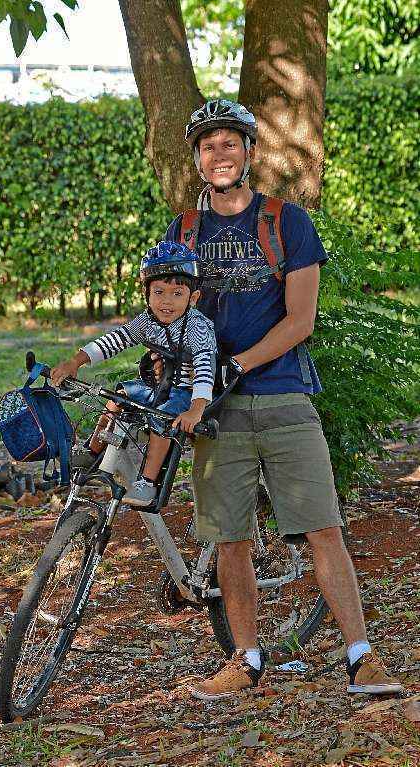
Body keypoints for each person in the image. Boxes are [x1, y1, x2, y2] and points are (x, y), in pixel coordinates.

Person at [163, 99, 402, 700]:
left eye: (230, 143)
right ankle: (245, 660)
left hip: (283, 396)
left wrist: (235, 365)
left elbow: (301, 321)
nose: (220, 154)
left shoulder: (286, 222)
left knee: (323, 529)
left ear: (249, 153)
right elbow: (169, 313)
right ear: (196, 160)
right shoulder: (184, 232)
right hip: (217, 414)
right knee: (231, 539)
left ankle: (360, 656)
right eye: (208, 146)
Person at [50, 241, 217, 507]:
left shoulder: (198, 328)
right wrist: (76, 361)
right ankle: (93, 450)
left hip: (186, 393)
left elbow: (206, 371)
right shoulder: (147, 321)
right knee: (120, 395)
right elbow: (116, 339)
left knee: (163, 420)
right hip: (159, 385)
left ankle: (147, 483)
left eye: (177, 293)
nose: (166, 301)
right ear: (147, 294)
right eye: (159, 292)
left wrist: (196, 409)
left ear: (193, 298)